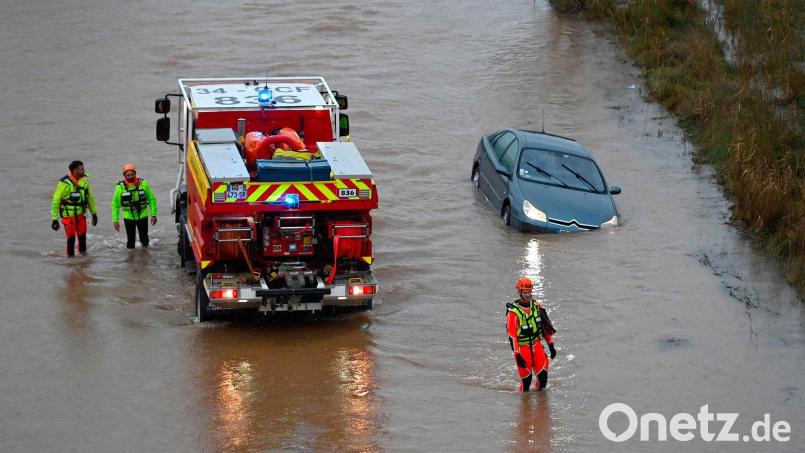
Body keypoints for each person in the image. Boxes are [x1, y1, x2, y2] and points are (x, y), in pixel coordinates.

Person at [506, 277, 557, 392]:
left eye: (529, 292)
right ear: (519, 292)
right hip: (523, 350)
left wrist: (551, 345)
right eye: (525, 292)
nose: (528, 295)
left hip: (537, 346)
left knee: (543, 381)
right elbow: (512, 336)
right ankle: (525, 407)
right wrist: (517, 355)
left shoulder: (537, 307)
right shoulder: (513, 312)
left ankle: (541, 406)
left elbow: (545, 327)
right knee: (526, 384)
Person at [51, 160, 98, 256]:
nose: (84, 171)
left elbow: (90, 198)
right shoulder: (64, 183)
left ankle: (84, 261)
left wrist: (94, 214)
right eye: (82, 169)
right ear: (75, 170)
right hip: (68, 217)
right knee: (71, 239)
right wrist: (54, 219)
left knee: (82, 238)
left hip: (81, 216)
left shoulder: (84, 182)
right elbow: (55, 201)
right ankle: (71, 262)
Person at [111, 163, 157, 248]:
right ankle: (130, 259)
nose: (130, 177)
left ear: (135, 174)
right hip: (128, 217)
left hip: (142, 215)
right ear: (124, 175)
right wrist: (115, 220)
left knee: (145, 239)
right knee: (130, 240)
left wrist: (153, 215)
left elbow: (151, 199)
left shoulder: (143, 184)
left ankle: (145, 256)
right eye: (127, 175)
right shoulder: (119, 188)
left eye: (132, 174)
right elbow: (115, 205)